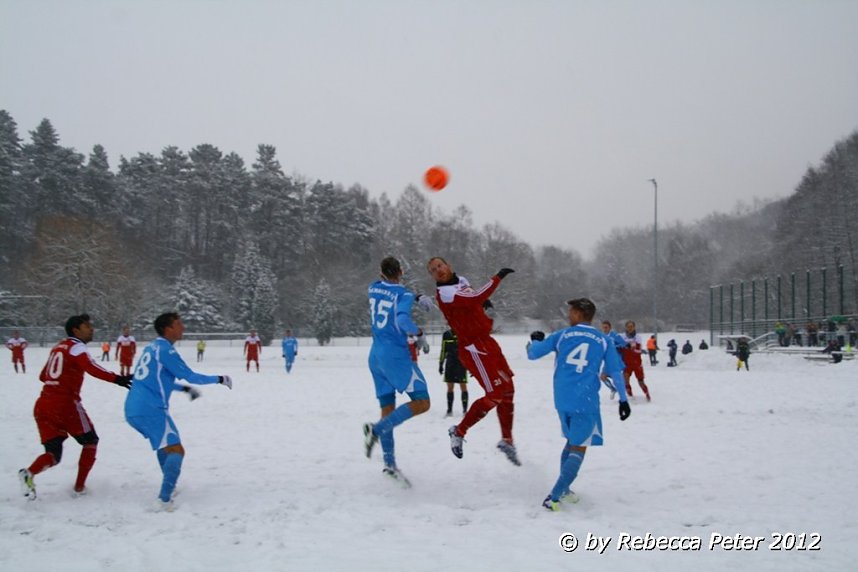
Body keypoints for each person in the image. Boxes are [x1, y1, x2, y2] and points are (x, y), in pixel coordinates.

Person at [527, 298, 631, 511]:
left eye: (571, 311)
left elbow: (533, 354)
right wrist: (623, 399)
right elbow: (616, 372)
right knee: (579, 447)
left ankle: (565, 490)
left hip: (562, 398)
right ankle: (554, 496)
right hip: (585, 400)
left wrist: (535, 341)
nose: (568, 315)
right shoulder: (603, 340)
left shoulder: (562, 335)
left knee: (570, 441)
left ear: (579, 314)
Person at [124, 312, 233, 511]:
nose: (182, 327)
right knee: (176, 450)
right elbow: (190, 375)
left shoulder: (151, 348)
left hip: (133, 408)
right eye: (178, 324)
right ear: (168, 329)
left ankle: (169, 488)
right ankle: (164, 500)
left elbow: (152, 378)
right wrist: (219, 379)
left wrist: (182, 389)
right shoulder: (166, 350)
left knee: (165, 446)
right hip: (151, 409)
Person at [17, 314, 132, 500]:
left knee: (53, 454)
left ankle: (29, 473)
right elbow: (91, 367)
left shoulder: (58, 347)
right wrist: (117, 379)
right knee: (90, 441)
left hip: (43, 404)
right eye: (87, 326)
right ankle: (79, 487)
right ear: (76, 330)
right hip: (65, 405)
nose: (92, 329)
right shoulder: (76, 347)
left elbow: (43, 376)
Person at [426, 256, 520, 465]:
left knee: (508, 390)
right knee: (495, 394)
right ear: (432, 275)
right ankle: (458, 431)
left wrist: (481, 305)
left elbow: (472, 298)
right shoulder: (445, 293)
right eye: (433, 270)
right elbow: (475, 297)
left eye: (440, 265)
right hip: (473, 347)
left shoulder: (461, 281)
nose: (438, 270)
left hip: (487, 342)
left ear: (449, 265)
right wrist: (497, 278)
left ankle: (507, 440)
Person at [362, 257, 431, 486]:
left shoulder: (373, 288)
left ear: (381, 273)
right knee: (422, 402)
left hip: (375, 356)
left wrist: (417, 296)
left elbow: (391, 292)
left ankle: (390, 465)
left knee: (387, 408)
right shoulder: (403, 295)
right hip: (395, 356)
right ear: (401, 271)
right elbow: (402, 319)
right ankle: (376, 430)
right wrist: (418, 334)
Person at [439, 328, 469, 417]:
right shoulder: (446, 334)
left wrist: (472, 366)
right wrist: (441, 364)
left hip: (461, 364)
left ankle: (465, 410)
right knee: (450, 387)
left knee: (463, 386)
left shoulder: (464, 333)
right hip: (450, 364)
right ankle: (449, 410)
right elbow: (443, 350)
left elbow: (469, 350)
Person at [619, 321, 652, 401]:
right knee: (625, 379)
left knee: (640, 382)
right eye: (628, 326)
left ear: (634, 327)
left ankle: (647, 394)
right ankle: (630, 395)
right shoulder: (622, 337)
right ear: (626, 327)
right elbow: (619, 348)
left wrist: (634, 349)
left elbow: (639, 350)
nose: (630, 328)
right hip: (626, 363)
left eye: (631, 326)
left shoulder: (638, 337)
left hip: (637, 363)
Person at [598, 321, 626, 399]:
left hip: (616, 360)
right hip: (607, 361)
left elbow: (624, 344)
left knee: (616, 379)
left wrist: (616, 346)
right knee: (602, 377)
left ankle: (622, 396)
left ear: (610, 328)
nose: (604, 329)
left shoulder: (614, 335)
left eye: (606, 327)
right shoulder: (602, 337)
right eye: (603, 327)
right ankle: (613, 389)